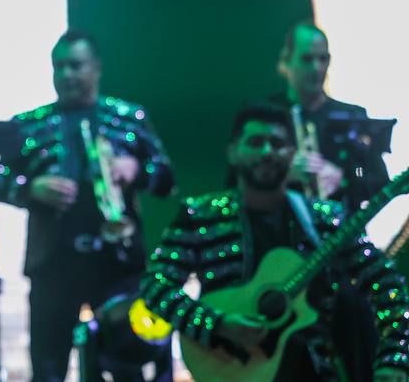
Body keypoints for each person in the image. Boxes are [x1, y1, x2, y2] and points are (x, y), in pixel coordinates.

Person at [141, 103, 409, 382]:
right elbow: (155, 286)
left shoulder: (324, 220)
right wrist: (218, 324)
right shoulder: (200, 216)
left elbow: (387, 284)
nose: (267, 152)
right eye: (256, 142)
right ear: (232, 152)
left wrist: (394, 359)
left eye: (278, 144)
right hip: (229, 368)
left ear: (292, 154)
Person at [0, 30, 174, 382]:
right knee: (48, 368)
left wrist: (135, 169)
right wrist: (31, 189)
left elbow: (166, 178)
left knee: (127, 365)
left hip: (119, 265)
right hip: (53, 264)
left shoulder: (128, 117)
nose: (67, 75)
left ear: (96, 68)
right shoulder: (29, 125)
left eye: (75, 65)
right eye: (59, 67)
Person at [269, 21, 391, 209]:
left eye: (323, 59)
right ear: (286, 61)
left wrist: (343, 179)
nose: (317, 68)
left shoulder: (353, 116)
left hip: (344, 224)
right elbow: (238, 185)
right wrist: (280, 175)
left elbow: (380, 185)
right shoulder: (266, 117)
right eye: (307, 59)